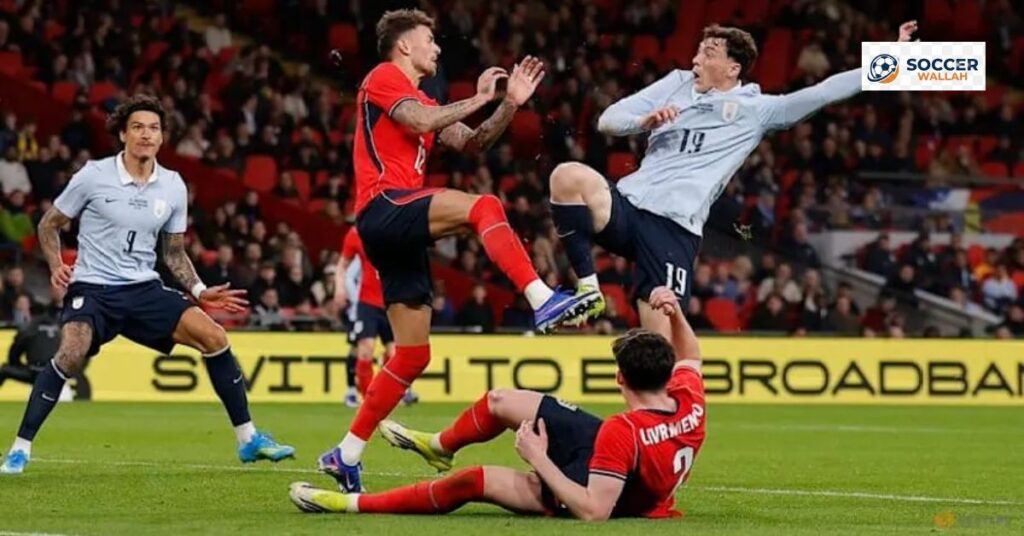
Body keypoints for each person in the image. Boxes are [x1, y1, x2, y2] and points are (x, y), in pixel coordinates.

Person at [318, 9, 600, 492]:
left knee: (412, 355)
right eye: (429, 40)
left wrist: (508, 104)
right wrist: (479, 97)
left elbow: (473, 142)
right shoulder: (383, 77)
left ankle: (345, 454)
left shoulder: (422, 97)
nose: (437, 48)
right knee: (484, 206)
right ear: (404, 45)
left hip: (394, 230)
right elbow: (421, 118)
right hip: (385, 205)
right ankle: (541, 299)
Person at [547, 21, 919, 343]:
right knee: (566, 177)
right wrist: (643, 121)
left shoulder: (756, 110)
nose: (696, 59)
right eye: (698, 50)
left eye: (708, 53)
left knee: (657, 347)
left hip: (672, 230)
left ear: (732, 68)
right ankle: (588, 289)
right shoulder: (676, 83)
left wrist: (891, 58)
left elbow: (823, 92)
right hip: (629, 206)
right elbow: (608, 120)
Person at [0, 95, 293, 475]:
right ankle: (20, 448)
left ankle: (248, 439)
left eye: (153, 128)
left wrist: (200, 291)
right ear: (123, 134)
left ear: (162, 137)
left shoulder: (172, 185)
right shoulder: (93, 175)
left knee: (215, 337)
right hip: (93, 288)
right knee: (71, 353)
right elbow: (48, 224)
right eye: (137, 127)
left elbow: (174, 252)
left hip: (143, 290)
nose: (146, 134)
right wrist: (57, 265)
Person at [291, 285, 705, 521]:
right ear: (668, 374)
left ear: (620, 379)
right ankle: (439, 446)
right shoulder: (688, 398)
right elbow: (692, 355)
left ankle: (349, 503)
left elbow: (594, 510)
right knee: (501, 400)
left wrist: (537, 457)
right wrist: (675, 313)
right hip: (620, 454)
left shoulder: (623, 430)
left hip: (609, 491)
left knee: (472, 481)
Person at [335, 227, 417, 406]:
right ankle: (368, 400)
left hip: (392, 301)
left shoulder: (397, 228)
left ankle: (386, 395)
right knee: (365, 349)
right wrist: (339, 288)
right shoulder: (356, 233)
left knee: (394, 354)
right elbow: (342, 265)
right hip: (367, 303)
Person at [0, 288, 90, 400]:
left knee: (5, 370)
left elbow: (15, 351)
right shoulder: (61, 327)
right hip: (56, 371)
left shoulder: (30, 328)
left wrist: (18, 365)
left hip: (34, 371)